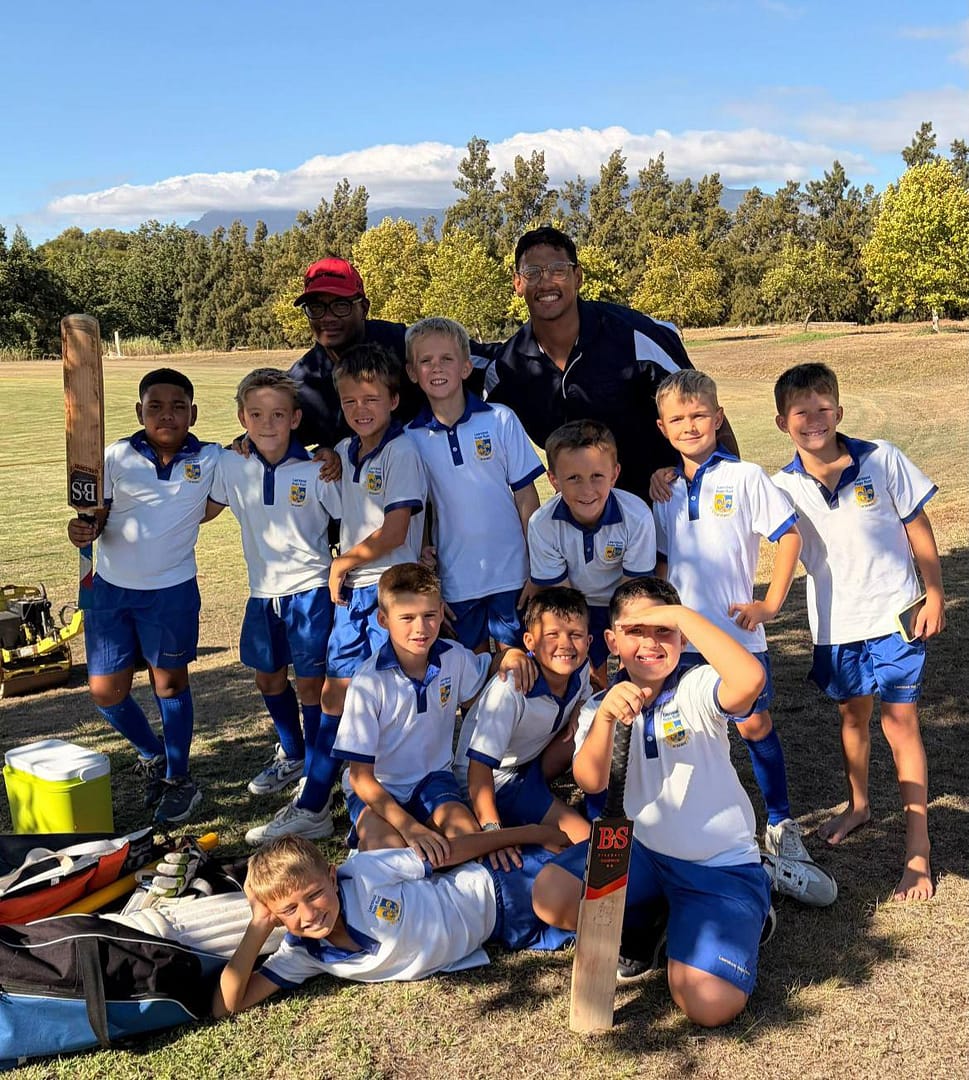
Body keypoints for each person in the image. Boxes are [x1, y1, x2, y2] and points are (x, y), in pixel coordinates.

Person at [531, 578, 774, 1028]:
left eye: (664, 631)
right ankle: (650, 926)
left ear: (683, 638)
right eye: (635, 631)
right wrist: (606, 717)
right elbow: (589, 780)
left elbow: (750, 679)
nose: (650, 642)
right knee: (550, 895)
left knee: (708, 1004)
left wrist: (680, 615)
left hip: (718, 867)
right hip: (643, 854)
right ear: (612, 641)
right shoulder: (599, 706)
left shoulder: (696, 687)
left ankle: (748, 908)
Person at [651, 369, 836, 907]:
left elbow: (788, 536)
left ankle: (780, 823)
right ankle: (691, 826)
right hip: (679, 643)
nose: (690, 426)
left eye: (699, 415)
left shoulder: (747, 477)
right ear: (662, 428)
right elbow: (662, 561)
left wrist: (769, 604)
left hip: (736, 639)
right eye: (678, 419)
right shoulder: (662, 488)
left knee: (754, 726)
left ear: (719, 417)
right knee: (684, 733)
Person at [771, 363, 945, 902]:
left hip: (896, 617)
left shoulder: (882, 458)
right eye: (801, 412)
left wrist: (935, 592)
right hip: (836, 626)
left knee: (900, 723)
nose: (814, 420)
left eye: (824, 408)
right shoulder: (780, 487)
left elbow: (918, 527)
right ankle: (859, 805)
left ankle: (918, 849)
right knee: (853, 717)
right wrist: (665, 476)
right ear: (782, 422)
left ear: (840, 411)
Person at [245, 344, 427, 845]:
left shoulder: (402, 450)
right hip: (354, 595)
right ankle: (315, 803)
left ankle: (395, 793)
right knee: (334, 694)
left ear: (394, 400)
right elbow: (306, 466)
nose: (360, 409)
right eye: (350, 401)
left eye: (371, 399)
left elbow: (395, 530)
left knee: (390, 696)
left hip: (391, 591)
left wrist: (343, 561)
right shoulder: (344, 451)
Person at [483, 226, 738, 502]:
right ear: (517, 283)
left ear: (578, 277)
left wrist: (728, 499)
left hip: (661, 507)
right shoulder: (507, 368)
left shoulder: (634, 335)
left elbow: (705, 412)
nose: (545, 283)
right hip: (581, 517)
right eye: (532, 273)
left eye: (558, 270)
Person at [66, 368, 220, 825]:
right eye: (155, 406)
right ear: (139, 412)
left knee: (168, 683)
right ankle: (153, 753)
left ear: (193, 413)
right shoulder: (115, 455)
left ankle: (178, 777)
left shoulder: (213, 459)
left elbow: (220, 498)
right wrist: (83, 529)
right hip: (109, 589)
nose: (166, 415)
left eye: (178, 407)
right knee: (105, 691)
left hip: (171, 592)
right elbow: (95, 514)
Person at [211, 828, 574, 1016]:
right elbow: (226, 1006)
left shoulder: (363, 873)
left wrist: (532, 833)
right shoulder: (304, 954)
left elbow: (447, 852)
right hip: (508, 934)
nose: (308, 914)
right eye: (289, 909)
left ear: (332, 877)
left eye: (314, 894)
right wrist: (259, 925)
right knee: (593, 927)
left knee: (595, 881)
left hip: (503, 882)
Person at [205, 368, 342, 804]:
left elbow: (350, 516)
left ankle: (318, 769)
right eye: (257, 414)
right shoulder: (230, 464)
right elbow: (201, 509)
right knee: (268, 679)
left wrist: (332, 457)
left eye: (278, 414)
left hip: (310, 591)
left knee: (311, 686)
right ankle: (293, 753)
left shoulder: (316, 468)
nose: (267, 424)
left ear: (295, 418)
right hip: (263, 592)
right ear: (242, 418)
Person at [333, 563, 532, 860]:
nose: (420, 628)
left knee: (466, 840)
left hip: (433, 780)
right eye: (407, 618)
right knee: (388, 853)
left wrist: (510, 654)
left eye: (428, 615)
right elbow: (361, 778)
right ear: (383, 620)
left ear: (441, 613)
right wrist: (409, 827)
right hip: (380, 790)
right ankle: (368, 845)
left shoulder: (453, 656)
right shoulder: (368, 682)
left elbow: (488, 667)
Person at [404, 316, 544, 652]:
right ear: (412, 372)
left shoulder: (500, 419)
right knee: (471, 671)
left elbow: (526, 496)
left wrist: (538, 567)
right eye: (426, 361)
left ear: (466, 367)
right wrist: (428, 579)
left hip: (513, 574)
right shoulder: (410, 438)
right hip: (456, 581)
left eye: (447, 358)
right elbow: (417, 512)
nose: (437, 368)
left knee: (516, 667)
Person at [454, 587, 593, 847]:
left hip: (530, 762)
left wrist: (579, 709)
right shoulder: (512, 687)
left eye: (575, 634)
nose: (565, 644)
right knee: (586, 842)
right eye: (552, 635)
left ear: (589, 641)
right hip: (496, 779)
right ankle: (524, 826)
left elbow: (585, 696)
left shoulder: (581, 667)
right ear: (529, 642)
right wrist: (492, 833)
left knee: (592, 726)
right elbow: (479, 769)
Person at [527, 421, 656, 687]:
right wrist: (587, 655)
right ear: (553, 480)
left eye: (597, 476)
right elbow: (562, 598)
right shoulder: (542, 524)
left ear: (614, 474)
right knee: (582, 677)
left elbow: (634, 591)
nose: (587, 490)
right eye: (573, 478)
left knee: (633, 674)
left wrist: (623, 642)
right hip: (573, 603)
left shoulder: (637, 515)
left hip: (624, 602)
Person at [286, 257, 426, 449]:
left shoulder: (406, 344)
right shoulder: (302, 383)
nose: (327, 318)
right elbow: (268, 439)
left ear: (364, 308)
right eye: (316, 307)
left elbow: (466, 368)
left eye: (340, 305)